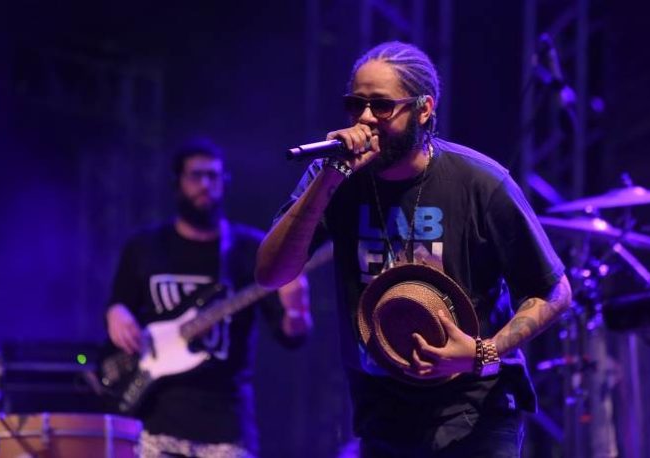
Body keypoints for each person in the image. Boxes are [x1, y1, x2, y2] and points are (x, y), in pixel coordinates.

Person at [256, 41, 571, 457]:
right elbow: (270, 274)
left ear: (424, 109)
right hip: (383, 413)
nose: (365, 119)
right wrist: (329, 179)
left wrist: (482, 352)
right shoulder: (333, 178)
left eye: (382, 106)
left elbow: (554, 290)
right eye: (355, 105)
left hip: (475, 409)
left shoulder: (481, 182)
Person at [106, 138, 312, 458]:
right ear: (177, 182)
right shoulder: (144, 246)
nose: (205, 185)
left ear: (225, 182)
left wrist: (297, 307)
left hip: (226, 427)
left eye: (213, 176)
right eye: (196, 176)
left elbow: (291, 337)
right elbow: (118, 304)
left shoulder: (251, 249)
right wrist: (116, 313)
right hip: (153, 424)